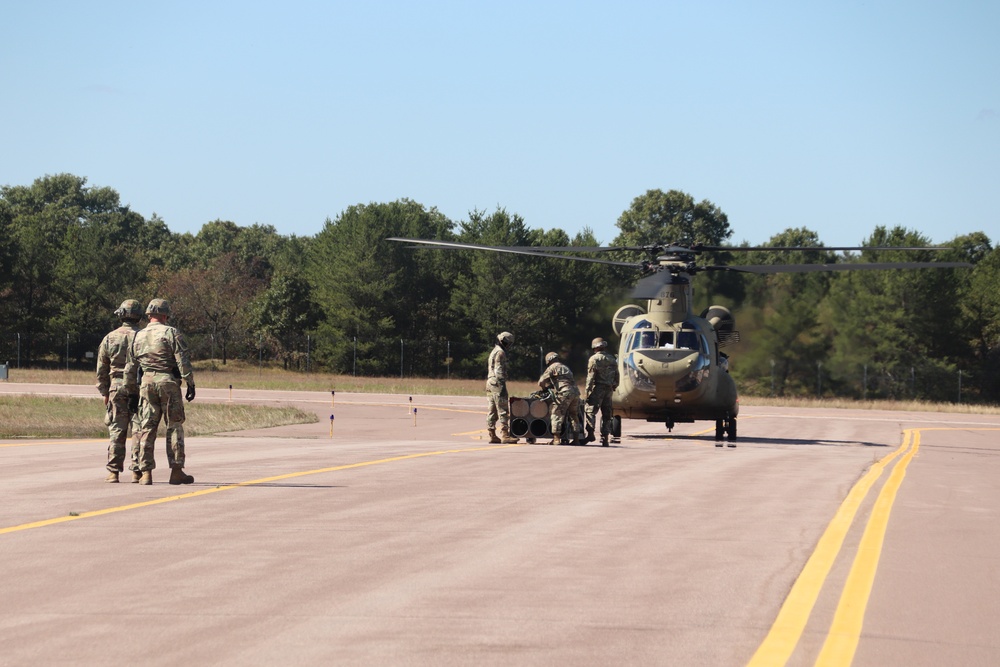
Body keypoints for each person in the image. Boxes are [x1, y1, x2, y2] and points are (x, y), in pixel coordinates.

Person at [124, 298, 196, 485]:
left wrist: (131, 392)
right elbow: (182, 360)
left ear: (148, 315)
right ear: (165, 315)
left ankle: (146, 472)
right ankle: (176, 470)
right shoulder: (171, 332)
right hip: (167, 382)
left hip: (146, 383)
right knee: (174, 426)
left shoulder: (137, 336)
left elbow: (130, 367)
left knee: (147, 427)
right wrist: (190, 382)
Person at [96, 299, 144, 482]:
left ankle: (113, 471)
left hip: (116, 386)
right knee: (138, 429)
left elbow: (101, 369)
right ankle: (137, 470)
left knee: (117, 429)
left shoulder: (110, 337)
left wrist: (104, 392)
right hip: (139, 387)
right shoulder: (143, 337)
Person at [538, 351, 583, 445]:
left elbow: (541, 382)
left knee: (556, 413)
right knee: (574, 415)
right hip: (575, 393)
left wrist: (544, 388)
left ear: (548, 361)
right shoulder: (565, 367)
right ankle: (576, 439)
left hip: (564, 392)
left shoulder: (552, 367)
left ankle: (556, 438)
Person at [584, 337, 620, 446]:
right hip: (609, 389)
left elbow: (590, 377)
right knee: (607, 413)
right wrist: (614, 385)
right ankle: (605, 438)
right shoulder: (612, 359)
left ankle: (590, 433)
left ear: (594, 347)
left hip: (598, 388)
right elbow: (617, 375)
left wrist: (587, 392)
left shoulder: (594, 359)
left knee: (590, 411)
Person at [486, 331, 518, 444]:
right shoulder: (501, 353)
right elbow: (499, 370)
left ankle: (492, 434)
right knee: (503, 409)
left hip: (490, 381)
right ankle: (505, 434)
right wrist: (502, 385)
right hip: (497, 382)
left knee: (492, 409)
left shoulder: (493, 351)